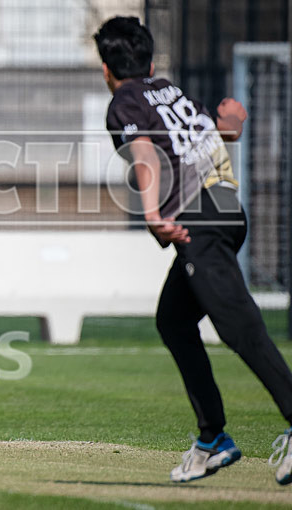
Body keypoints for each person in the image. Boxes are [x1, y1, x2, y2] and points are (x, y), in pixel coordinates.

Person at [95, 16, 292, 484]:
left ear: (106, 69)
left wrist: (151, 215)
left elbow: (144, 153)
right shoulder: (171, 91)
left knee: (239, 326)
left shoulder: (124, 101)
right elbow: (215, 134)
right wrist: (231, 125)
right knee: (174, 320)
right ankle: (212, 439)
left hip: (199, 219)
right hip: (226, 208)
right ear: (152, 61)